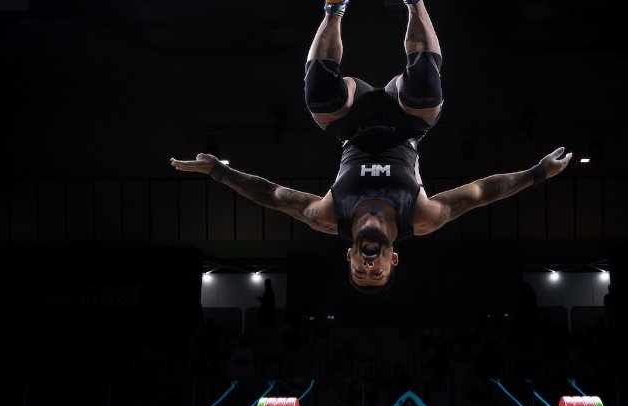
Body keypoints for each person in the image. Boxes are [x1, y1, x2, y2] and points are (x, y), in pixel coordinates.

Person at [169, 0, 576, 293]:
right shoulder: (421, 217)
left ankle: (334, 8)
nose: (368, 265)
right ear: (392, 259)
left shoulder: (328, 216)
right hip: (407, 127)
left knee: (319, 94)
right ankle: (414, 3)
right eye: (375, 272)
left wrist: (218, 171)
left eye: (360, 272)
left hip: (351, 126)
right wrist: (537, 173)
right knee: (423, 88)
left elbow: (271, 194)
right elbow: (481, 193)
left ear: (348, 256)